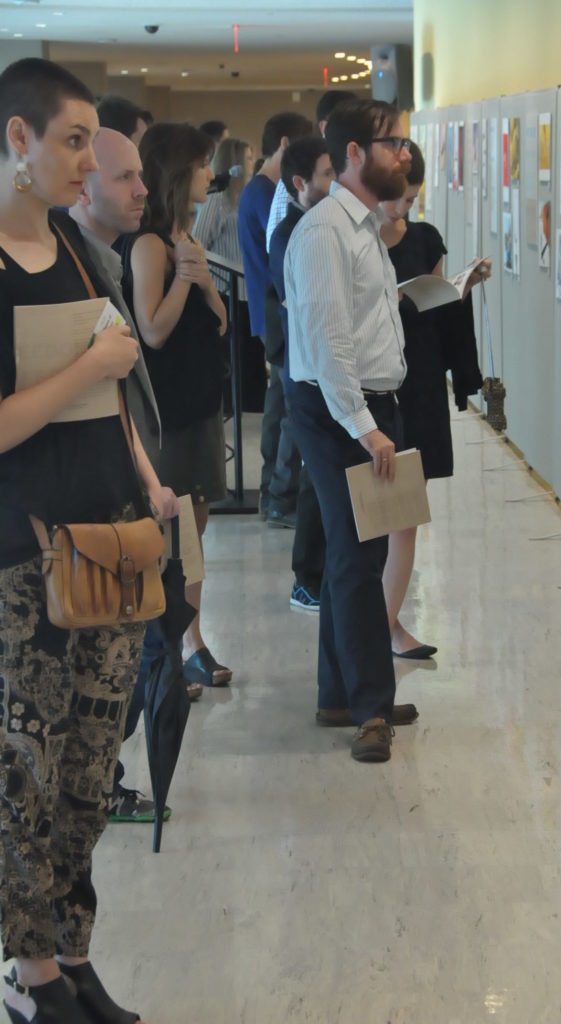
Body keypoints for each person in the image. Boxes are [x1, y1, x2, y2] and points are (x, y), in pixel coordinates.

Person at [0, 57, 150, 1023]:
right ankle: (30, 974)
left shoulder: (78, 249)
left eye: (92, 138)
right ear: (18, 139)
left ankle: (75, 949)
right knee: (27, 777)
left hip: (111, 541)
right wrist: (94, 361)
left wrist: (147, 475)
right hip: (21, 558)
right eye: (72, 139)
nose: (87, 160)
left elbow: (114, 387)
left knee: (92, 774)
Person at [284, 98, 419, 764]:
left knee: (356, 552)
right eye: (395, 143)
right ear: (358, 153)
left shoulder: (363, 225)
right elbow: (328, 341)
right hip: (339, 409)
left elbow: (362, 321)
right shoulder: (325, 231)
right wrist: (366, 428)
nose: (405, 156)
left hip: (365, 405)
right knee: (359, 560)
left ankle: (339, 692)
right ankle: (369, 707)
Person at [69, 127, 194, 828]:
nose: (142, 190)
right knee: (117, 661)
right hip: (97, 510)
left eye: (141, 176)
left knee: (133, 653)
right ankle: (97, 784)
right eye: (124, 178)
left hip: (132, 493)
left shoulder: (99, 261)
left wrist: (149, 479)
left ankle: (101, 780)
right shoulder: (75, 269)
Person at [119, 122, 232, 689]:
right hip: (167, 414)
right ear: (178, 173)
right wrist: (186, 278)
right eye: (202, 165)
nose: (210, 175)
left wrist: (204, 280)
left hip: (202, 404)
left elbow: (221, 322)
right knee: (171, 532)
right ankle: (167, 647)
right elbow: (153, 331)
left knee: (196, 526)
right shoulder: (147, 245)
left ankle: (190, 638)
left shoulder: (187, 240)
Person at [380, 141, 488, 658]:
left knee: (409, 511)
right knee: (382, 510)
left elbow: (439, 306)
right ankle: (379, 627)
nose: (405, 211)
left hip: (420, 376)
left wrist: (461, 285)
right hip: (380, 380)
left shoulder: (425, 238)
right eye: (398, 201)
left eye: (412, 200)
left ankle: (389, 623)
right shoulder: (355, 243)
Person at [269, 137, 335, 611]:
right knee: (315, 475)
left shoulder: (318, 225)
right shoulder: (290, 233)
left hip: (322, 367)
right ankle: (306, 578)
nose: (334, 184)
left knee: (325, 475)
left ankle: (320, 573)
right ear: (300, 182)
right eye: (328, 175)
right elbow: (298, 303)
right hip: (307, 372)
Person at [237, 111, 312, 524]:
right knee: (289, 411)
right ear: (285, 145)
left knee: (279, 408)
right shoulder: (266, 193)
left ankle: (274, 492)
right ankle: (280, 495)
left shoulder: (263, 190)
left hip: (273, 314)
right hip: (277, 314)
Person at [193, 135, 267, 413]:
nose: (252, 163)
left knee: (252, 357)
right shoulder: (217, 199)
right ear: (234, 162)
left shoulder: (249, 195)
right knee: (235, 357)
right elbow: (199, 239)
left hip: (252, 288)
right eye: (248, 157)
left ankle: (250, 403)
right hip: (227, 288)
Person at [265, 89, 355, 251]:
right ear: (324, 127)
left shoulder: (353, 166)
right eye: (348, 125)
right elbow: (276, 244)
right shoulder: (299, 165)